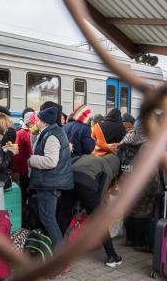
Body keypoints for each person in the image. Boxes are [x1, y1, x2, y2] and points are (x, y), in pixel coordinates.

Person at [56, 132, 124, 267]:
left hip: (68, 181)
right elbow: (100, 195)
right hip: (85, 185)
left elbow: (70, 164)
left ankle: (55, 249)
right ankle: (112, 256)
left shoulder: (89, 157)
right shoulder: (108, 168)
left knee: (63, 216)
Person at [28, 105, 73, 250]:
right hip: (49, 182)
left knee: (48, 219)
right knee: (48, 218)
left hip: (49, 183)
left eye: (38, 119)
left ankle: (60, 259)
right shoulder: (49, 132)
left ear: (44, 121)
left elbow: (50, 161)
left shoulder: (52, 136)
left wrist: (31, 160)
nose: (36, 122)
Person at [119, 121, 163, 253]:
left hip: (125, 179)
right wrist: (156, 187)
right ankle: (139, 243)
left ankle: (129, 239)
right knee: (141, 212)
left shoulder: (125, 140)